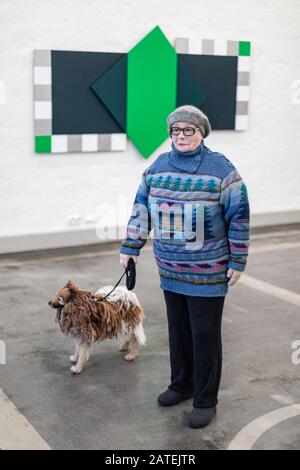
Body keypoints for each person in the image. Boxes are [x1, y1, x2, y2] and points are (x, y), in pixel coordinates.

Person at [120, 105, 250, 428]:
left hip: (208, 271)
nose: (181, 136)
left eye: (188, 130)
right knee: (178, 330)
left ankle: (206, 400)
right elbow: (141, 210)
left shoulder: (221, 170)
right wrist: (130, 246)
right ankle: (182, 384)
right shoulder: (157, 168)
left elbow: (240, 215)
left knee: (204, 333)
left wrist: (238, 258)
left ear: (201, 133)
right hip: (171, 269)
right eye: (176, 131)